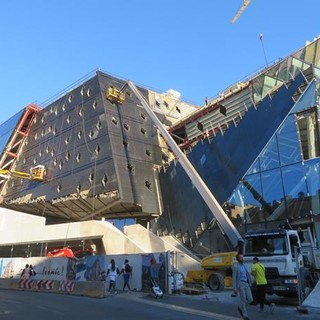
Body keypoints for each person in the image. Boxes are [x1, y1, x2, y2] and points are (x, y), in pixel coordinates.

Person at [232, 253, 253, 320]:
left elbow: (247, 274)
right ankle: (245, 316)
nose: (242, 258)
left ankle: (241, 308)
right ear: (238, 259)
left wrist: (250, 282)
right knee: (243, 299)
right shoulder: (235, 266)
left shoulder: (244, 265)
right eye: (240, 257)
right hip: (240, 284)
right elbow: (234, 278)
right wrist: (235, 288)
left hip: (246, 283)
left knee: (250, 299)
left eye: (242, 257)